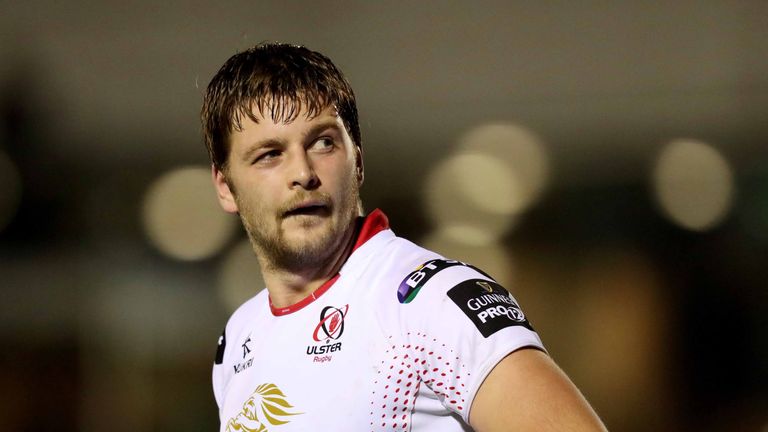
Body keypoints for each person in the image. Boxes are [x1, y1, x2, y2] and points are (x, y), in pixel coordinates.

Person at [202, 42, 607, 432]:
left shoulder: (435, 303)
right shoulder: (240, 335)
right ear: (225, 187)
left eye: (324, 143)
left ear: (357, 161)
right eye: (270, 155)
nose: (303, 173)